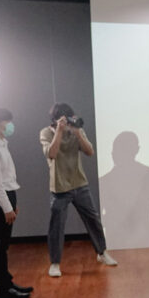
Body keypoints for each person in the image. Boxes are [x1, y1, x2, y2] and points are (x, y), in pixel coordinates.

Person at [40, 103, 118, 277]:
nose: (69, 122)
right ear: (56, 119)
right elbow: (51, 154)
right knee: (57, 226)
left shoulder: (76, 130)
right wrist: (59, 131)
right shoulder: (46, 133)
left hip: (79, 183)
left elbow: (90, 151)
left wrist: (77, 133)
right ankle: (55, 263)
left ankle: (102, 252)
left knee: (93, 220)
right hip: (59, 187)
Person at [0, 107, 32, 298]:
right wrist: (7, 207)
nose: (10, 125)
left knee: (4, 244)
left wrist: (12, 203)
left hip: (8, 196)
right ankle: (2, 288)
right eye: (6, 121)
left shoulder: (2, 143)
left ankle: (6, 282)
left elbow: (8, 178)